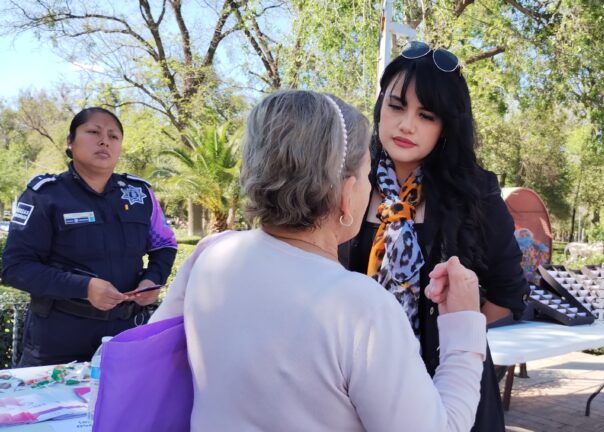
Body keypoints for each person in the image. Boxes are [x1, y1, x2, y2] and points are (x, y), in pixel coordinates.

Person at [150, 90, 487, 431]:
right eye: (368, 177)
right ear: (344, 194)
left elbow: (153, 354)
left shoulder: (210, 254)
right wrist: (463, 329)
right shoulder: (361, 308)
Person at [339, 41, 528, 431]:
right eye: (396, 106)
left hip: (450, 386)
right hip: (352, 381)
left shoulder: (475, 193)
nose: (407, 124)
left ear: (446, 127)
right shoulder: (346, 180)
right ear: (380, 108)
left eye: (426, 115)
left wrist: (451, 335)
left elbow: (508, 292)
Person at [2, 107, 178, 367]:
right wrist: (84, 288)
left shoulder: (139, 194)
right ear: (70, 142)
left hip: (124, 334)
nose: (104, 140)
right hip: (58, 338)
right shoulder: (45, 195)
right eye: (93, 132)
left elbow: (164, 245)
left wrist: (152, 280)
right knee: (47, 408)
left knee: (122, 406)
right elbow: (15, 268)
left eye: (114, 136)